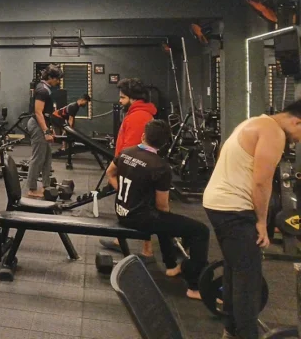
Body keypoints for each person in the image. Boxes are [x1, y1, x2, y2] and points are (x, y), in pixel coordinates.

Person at [203, 100, 301, 339]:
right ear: (297, 121)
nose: (298, 141)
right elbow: (261, 181)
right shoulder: (273, 132)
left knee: (234, 269)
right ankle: (246, 334)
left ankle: (231, 330)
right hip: (234, 209)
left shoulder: (254, 122)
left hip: (218, 203)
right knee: (249, 280)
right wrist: (261, 223)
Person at [106, 119, 210, 299]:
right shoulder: (160, 166)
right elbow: (163, 205)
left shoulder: (125, 152)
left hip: (122, 211)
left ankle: (171, 266)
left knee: (164, 220)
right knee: (200, 230)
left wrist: (126, 194)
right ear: (164, 144)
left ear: (143, 135)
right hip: (140, 218)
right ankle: (194, 287)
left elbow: (110, 174)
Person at [103, 78, 158, 256]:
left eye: (123, 97)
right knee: (133, 204)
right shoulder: (140, 113)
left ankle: (145, 248)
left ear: (133, 98)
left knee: (133, 203)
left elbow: (132, 146)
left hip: (133, 167)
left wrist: (119, 166)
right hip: (135, 166)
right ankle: (131, 243)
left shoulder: (138, 116)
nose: (120, 101)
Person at [25, 65, 63, 198]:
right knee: (38, 158)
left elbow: (46, 113)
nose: (58, 82)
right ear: (51, 77)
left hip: (43, 124)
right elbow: (38, 112)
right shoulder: (42, 90)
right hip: (37, 125)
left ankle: (46, 186)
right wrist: (46, 131)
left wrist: (49, 128)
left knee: (47, 156)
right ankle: (31, 189)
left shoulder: (47, 88)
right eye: (57, 79)